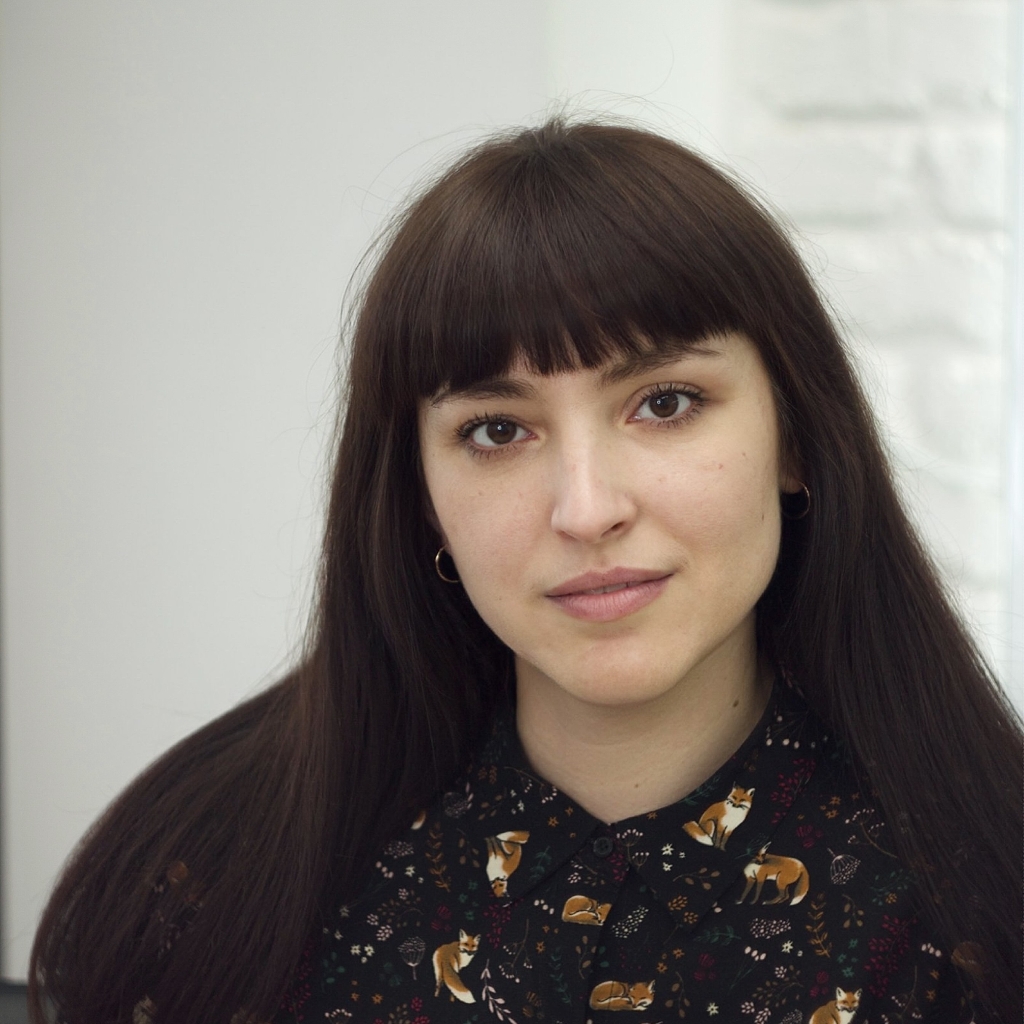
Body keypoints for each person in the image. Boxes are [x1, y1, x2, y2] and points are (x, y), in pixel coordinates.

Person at [29, 120, 1021, 1024]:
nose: (586, 509)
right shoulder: (207, 872)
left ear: (794, 436)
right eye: (497, 431)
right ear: (421, 495)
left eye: (665, 403)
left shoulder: (982, 901)